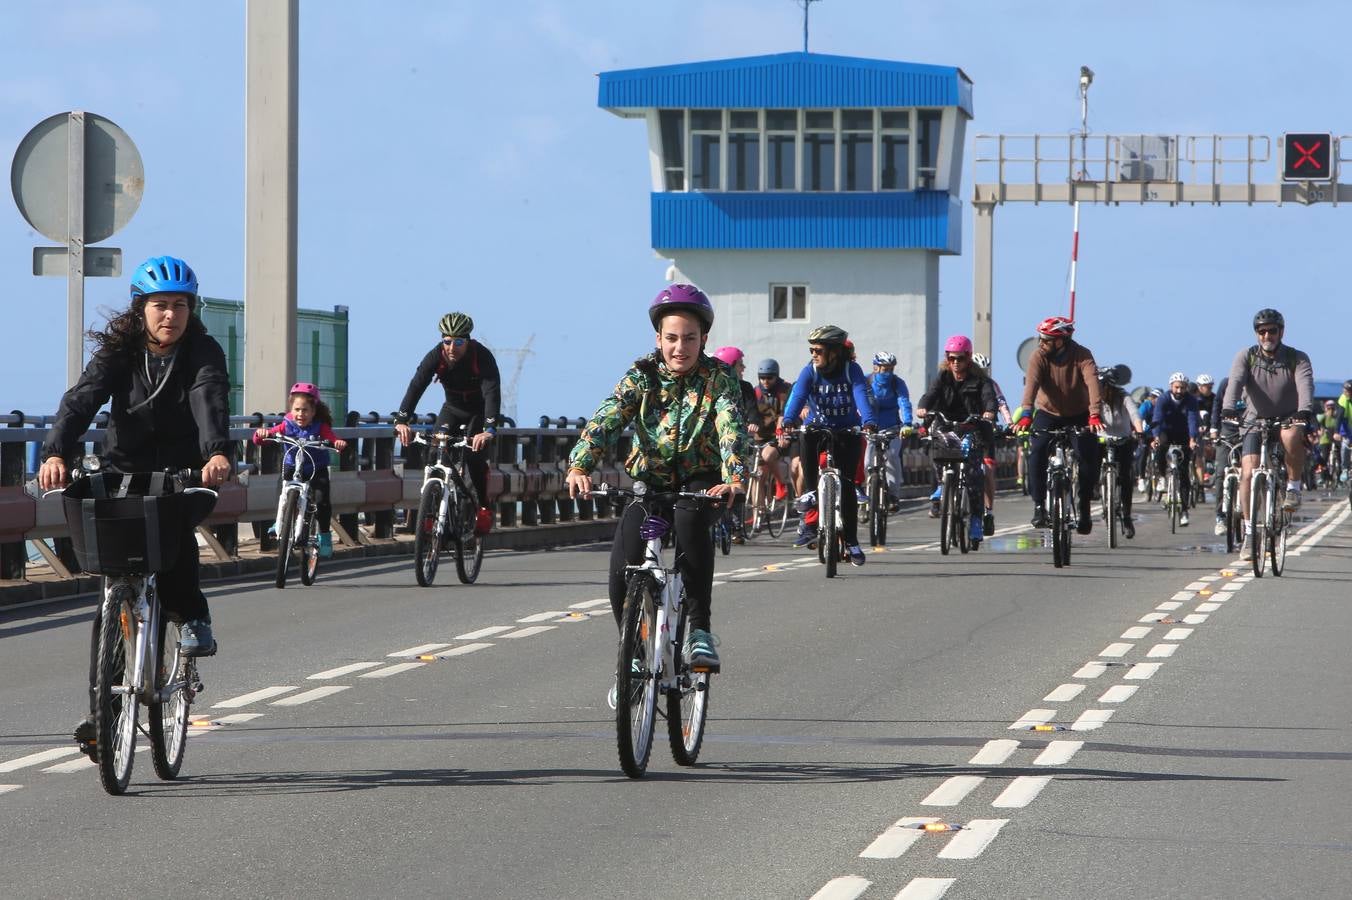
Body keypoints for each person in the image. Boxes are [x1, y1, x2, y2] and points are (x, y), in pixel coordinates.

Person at [37, 255, 232, 758]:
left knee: (173, 540)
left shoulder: (203, 351)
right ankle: (104, 710)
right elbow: (82, 400)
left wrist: (216, 452)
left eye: (181, 306)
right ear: (141, 308)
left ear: (192, 309)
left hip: (183, 471)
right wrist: (56, 450)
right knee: (113, 591)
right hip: (123, 468)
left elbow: (208, 398)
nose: (171, 315)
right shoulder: (120, 351)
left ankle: (191, 616)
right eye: (161, 305)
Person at [566, 284, 747, 680]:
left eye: (690, 338)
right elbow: (607, 418)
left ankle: (699, 629)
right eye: (671, 338)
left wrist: (733, 478)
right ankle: (632, 650)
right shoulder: (642, 377)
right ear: (658, 339)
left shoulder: (718, 379)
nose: (680, 347)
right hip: (649, 481)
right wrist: (580, 465)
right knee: (622, 566)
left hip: (701, 480)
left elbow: (731, 426)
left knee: (688, 520)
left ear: (704, 340)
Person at [393, 313, 501, 537]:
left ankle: (483, 507)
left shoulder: (482, 356)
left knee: (473, 456)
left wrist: (489, 429)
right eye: (447, 341)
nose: (452, 347)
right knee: (434, 452)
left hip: (478, 412)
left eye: (459, 342)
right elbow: (416, 385)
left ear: (468, 341)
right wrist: (402, 420)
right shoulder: (435, 356)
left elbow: (492, 392)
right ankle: (432, 512)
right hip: (452, 408)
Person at [1221, 308, 1315, 560]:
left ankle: (1294, 487)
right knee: (1248, 472)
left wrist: (1304, 411)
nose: (1266, 336)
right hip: (1254, 419)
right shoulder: (1246, 356)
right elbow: (1235, 382)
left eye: (1271, 330)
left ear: (1281, 332)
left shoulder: (1297, 358)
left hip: (1288, 417)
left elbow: (1305, 385)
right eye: (1261, 331)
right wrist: (1228, 408)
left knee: (1290, 436)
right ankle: (1251, 533)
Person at [781, 325, 877, 565]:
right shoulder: (810, 371)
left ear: (834, 352)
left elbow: (860, 395)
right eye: (811, 349)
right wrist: (789, 419)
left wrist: (869, 420)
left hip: (846, 430)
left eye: (818, 350)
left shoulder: (850, 369)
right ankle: (811, 492)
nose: (813, 354)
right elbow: (798, 396)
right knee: (806, 435)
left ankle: (852, 541)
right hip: (819, 428)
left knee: (846, 489)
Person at [1014, 315, 1104, 533]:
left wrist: (1094, 414)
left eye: (1047, 340)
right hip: (1048, 412)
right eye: (1041, 338)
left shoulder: (1082, 355)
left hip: (1079, 414)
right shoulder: (1038, 356)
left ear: (1062, 340)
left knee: (1087, 457)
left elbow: (1093, 383)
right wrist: (1027, 413)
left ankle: (1083, 508)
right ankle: (1039, 506)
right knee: (1036, 452)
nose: (1042, 343)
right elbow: (1031, 386)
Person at [915, 336, 999, 544]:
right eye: (951, 358)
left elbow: (990, 398)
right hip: (948, 425)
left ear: (968, 358)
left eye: (959, 359)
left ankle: (977, 520)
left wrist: (989, 412)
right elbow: (930, 395)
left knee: (973, 477)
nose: (955, 363)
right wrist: (923, 407)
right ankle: (943, 484)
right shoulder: (943, 377)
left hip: (973, 428)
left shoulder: (981, 380)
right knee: (937, 447)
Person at [252, 383, 349, 558]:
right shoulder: (286, 424)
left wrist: (337, 443)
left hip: (315, 468)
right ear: (291, 409)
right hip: (292, 466)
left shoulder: (320, 426)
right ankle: (279, 521)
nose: (300, 414)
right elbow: (265, 437)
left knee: (322, 500)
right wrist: (261, 435)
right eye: (297, 409)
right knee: (282, 490)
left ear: (313, 411)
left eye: (305, 410)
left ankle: (325, 536)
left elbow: (333, 439)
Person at [713, 346, 758, 542]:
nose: (743, 367)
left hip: (739, 438)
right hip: (714, 441)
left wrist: (753, 423)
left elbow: (752, 409)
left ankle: (737, 526)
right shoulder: (712, 385)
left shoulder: (746, 387)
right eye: (740, 364)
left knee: (738, 478)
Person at [1098, 366, 1144, 538]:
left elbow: (1134, 414)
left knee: (1126, 477)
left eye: (1100, 385)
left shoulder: (1123, 396)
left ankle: (1126, 516)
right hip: (1101, 440)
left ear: (1108, 387)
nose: (1098, 389)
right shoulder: (1094, 397)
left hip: (1122, 439)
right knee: (1090, 463)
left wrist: (1139, 432)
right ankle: (1097, 487)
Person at [867, 351, 914, 511]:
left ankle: (893, 495)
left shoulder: (897, 383)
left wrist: (907, 423)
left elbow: (904, 402)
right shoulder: (866, 382)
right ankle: (864, 499)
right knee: (866, 462)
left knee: (892, 457)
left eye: (890, 369)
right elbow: (857, 402)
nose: (887, 373)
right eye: (884, 369)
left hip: (892, 428)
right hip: (869, 428)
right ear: (876, 368)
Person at [1152, 372, 1200, 526]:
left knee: (1184, 472)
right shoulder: (1163, 399)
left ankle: (1184, 511)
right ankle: (1161, 477)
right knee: (1159, 449)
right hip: (1166, 431)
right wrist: (1156, 437)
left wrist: (1192, 439)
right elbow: (1157, 418)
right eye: (1177, 387)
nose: (1179, 391)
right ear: (1171, 387)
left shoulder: (1191, 400)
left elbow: (1193, 420)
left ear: (1186, 388)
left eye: (1182, 388)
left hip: (1184, 434)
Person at [752, 358, 794, 506]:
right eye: (762, 378)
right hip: (761, 437)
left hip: (780, 434)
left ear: (776, 376)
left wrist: (782, 433)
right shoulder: (755, 392)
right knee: (758, 475)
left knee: (768, 455)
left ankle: (780, 483)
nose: (765, 381)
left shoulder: (785, 390)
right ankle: (759, 512)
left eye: (769, 377)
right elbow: (750, 413)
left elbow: (786, 413)